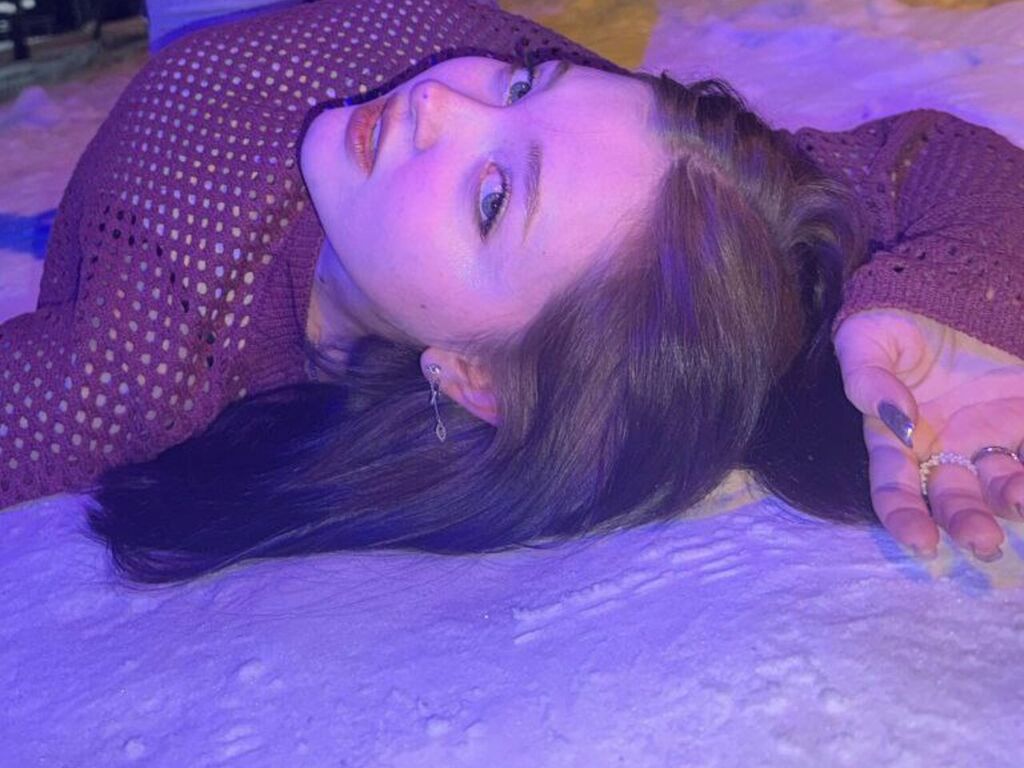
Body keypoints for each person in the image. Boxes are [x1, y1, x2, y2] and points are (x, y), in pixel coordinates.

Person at [0, 0, 1020, 582]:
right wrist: (939, 295)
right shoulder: (665, 191)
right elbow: (934, 161)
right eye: (524, 84)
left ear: (471, 378)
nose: (442, 97)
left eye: (491, 198)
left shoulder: (142, 353)